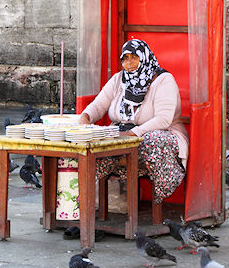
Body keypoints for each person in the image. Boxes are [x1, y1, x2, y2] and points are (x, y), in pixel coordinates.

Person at [78, 39, 189, 203]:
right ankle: (80, 204)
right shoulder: (119, 79)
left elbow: (163, 119)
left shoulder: (163, 80)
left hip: (158, 135)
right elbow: (98, 105)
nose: (129, 63)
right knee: (89, 145)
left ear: (143, 57)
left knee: (152, 140)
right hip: (122, 137)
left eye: (134, 57)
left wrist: (132, 134)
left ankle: (160, 193)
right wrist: (85, 118)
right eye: (125, 58)